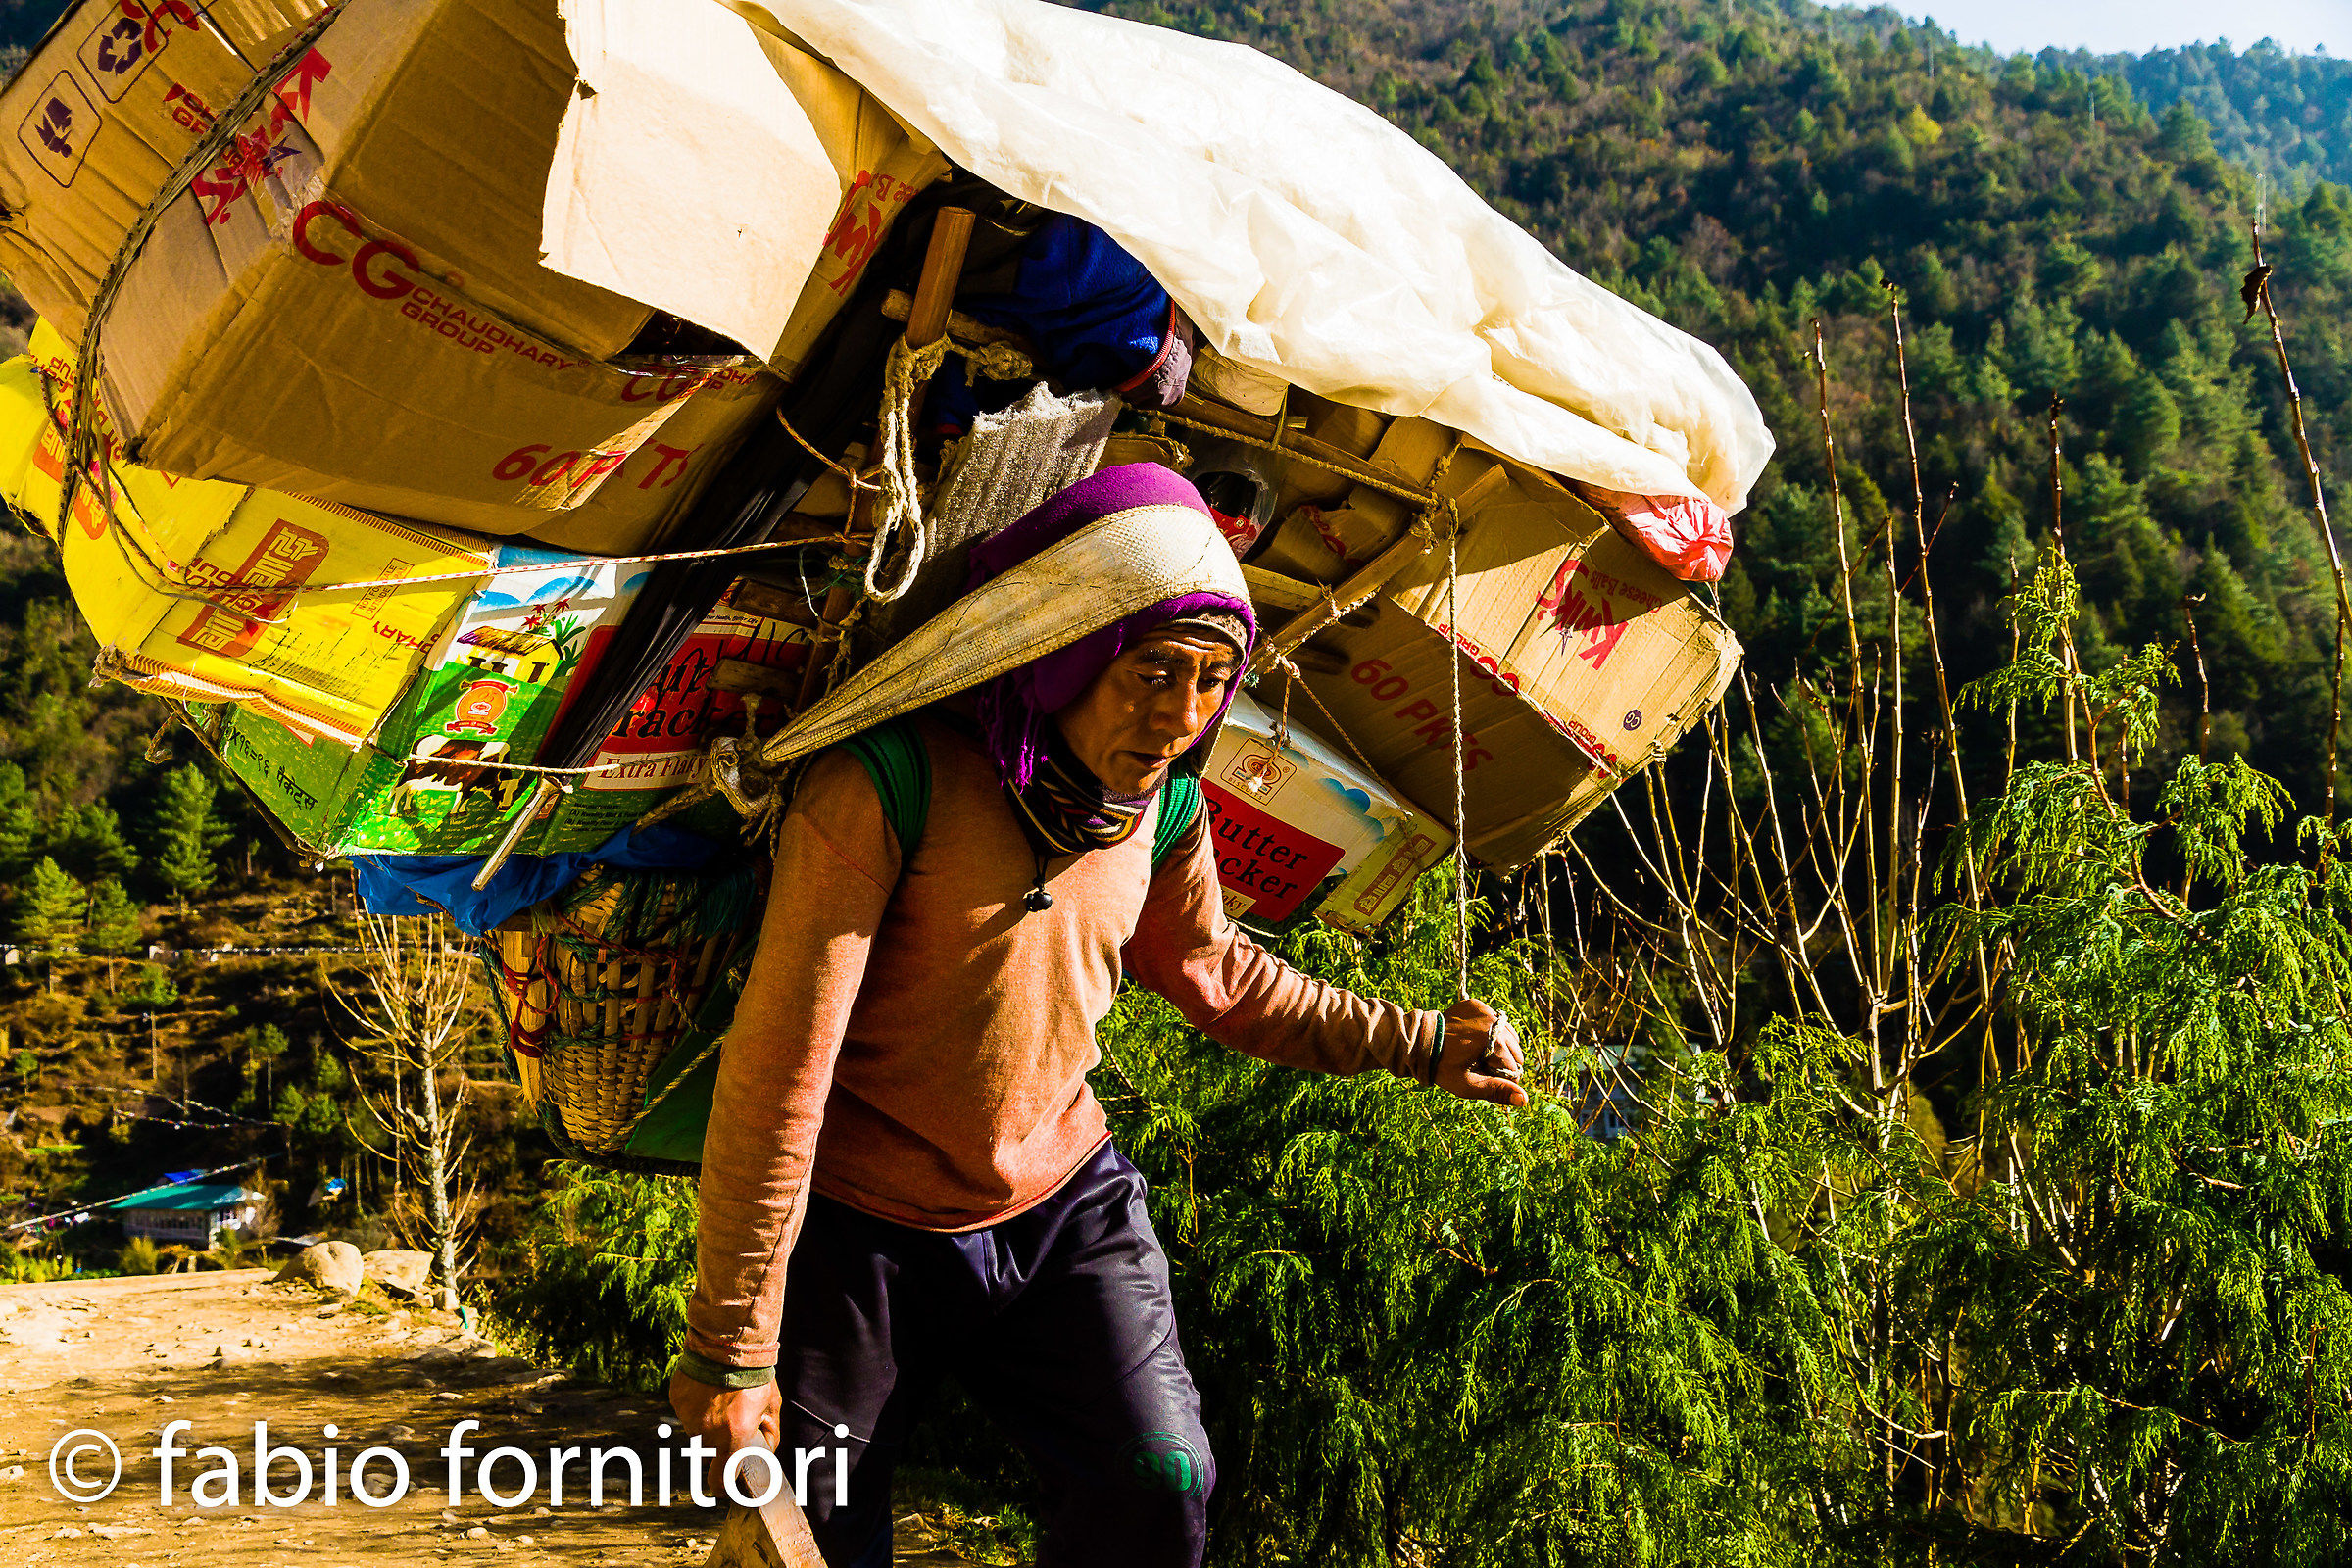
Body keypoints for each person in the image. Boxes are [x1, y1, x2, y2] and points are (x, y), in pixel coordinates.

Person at [668, 463, 1526, 1567]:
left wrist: (1416, 1041)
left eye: (1214, 679)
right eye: (1153, 670)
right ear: (1066, 649)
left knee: (1162, 1482)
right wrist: (733, 1342)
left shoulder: (1158, 807)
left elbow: (1218, 973)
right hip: (862, 1234)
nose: (1182, 715)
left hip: (1061, 1207)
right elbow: (782, 1069)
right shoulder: (884, 785)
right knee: (820, 1541)